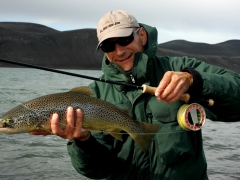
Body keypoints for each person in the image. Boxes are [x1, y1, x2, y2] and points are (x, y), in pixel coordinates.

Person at [30, 10, 240, 179]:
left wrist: (193, 80)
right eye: (108, 45)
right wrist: (83, 142)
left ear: (141, 35)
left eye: (124, 39)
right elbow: (96, 171)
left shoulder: (182, 68)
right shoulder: (94, 95)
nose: (119, 51)